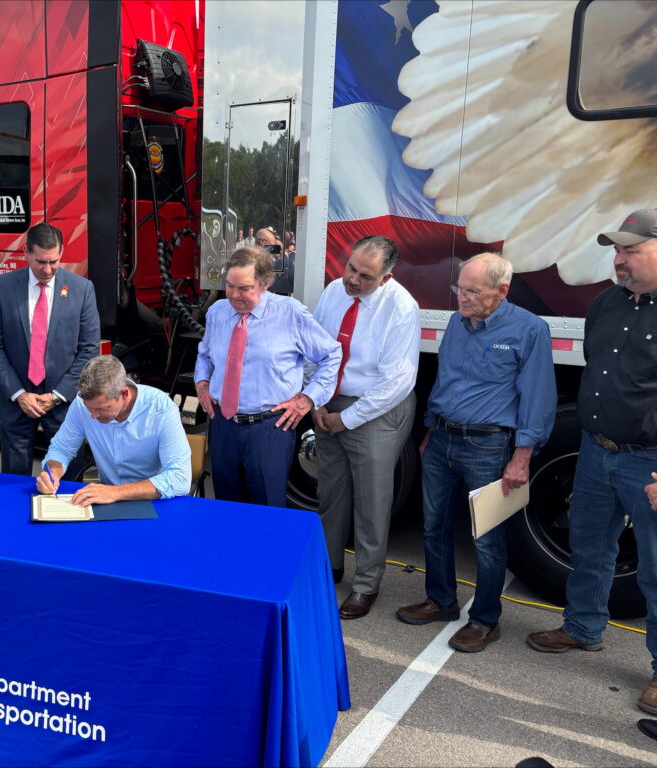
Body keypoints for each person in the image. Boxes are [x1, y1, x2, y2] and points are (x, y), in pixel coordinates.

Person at [526, 209, 657, 715]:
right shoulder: (606, 303)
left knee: (654, 571)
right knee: (590, 546)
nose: (618, 260)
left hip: (647, 463)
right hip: (596, 450)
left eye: (630, 250)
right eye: (617, 251)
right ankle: (583, 628)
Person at [397, 252, 556, 652]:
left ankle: (485, 619)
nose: (461, 299)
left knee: (486, 536)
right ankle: (441, 600)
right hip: (443, 439)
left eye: (472, 291)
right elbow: (446, 380)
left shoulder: (529, 329)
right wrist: (431, 428)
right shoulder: (457, 322)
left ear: (501, 291)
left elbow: (538, 398)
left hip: (488, 446)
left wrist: (522, 456)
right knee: (434, 526)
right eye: (459, 289)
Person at [313, 235, 419, 619]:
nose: (353, 280)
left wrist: (347, 418)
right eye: (351, 268)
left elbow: (396, 382)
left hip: (375, 408)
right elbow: (317, 349)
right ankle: (329, 566)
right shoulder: (332, 292)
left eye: (366, 276)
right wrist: (317, 401)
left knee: (372, 502)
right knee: (331, 492)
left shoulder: (401, 307)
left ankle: (366, 584)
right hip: (330, 404)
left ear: (387, 278)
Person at [195, 247, 341, 507]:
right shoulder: (218, 312)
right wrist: (202, 381)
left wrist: (308, 399)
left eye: (244, 288)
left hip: (269, 429)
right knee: (226, 509)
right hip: (224, 425)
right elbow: (205, 353)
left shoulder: (290, 313)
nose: (234, 295)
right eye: (229, 286)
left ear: (265, 284)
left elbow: (331, 355)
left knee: (267, 512)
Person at [0, 222, 100, 477]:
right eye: (40, 262)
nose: (48, 269)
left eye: (54, 261)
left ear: (61, 252)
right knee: (13, 481)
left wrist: (57, 395)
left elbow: (89, 350)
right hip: (17, 403)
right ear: (26, 253)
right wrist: (18, 394)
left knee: (68, 478)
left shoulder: (82, 289)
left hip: (62, 404)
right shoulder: (3, 287)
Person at [36, 355, 191, 505]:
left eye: (101, 409)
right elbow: (62, 449)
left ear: (124, 393)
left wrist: (115, 492)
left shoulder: (161, 409)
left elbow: (180, 478)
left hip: (154, 500)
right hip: (105, 499)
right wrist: (53, 471)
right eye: (89, 408)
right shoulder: (81, 404)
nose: (93, 416)